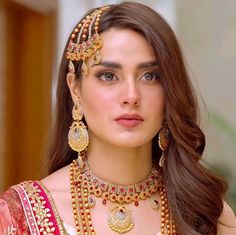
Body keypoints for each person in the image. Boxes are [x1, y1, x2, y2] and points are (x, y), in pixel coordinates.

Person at [0, 1, 236, 234]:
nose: (131, 96)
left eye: (150, 76)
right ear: (75, 88)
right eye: (108, 76)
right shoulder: (19, 215)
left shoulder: (206, 214)